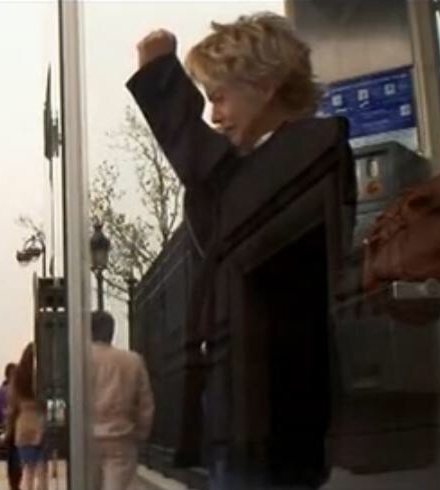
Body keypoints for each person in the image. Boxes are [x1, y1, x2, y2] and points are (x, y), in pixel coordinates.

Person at [129, 13, 354, 487]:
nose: (214, 116)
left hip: (274, 412)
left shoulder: (313, 148)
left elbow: (218, 179)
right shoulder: (276, 162)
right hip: (252, 409)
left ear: (265, 86)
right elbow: (216, 175)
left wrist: (163, 84)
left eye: (219, 97)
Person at [90, 311, 154, 490]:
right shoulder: (133, 360)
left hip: (87, 437)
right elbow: (145, 404)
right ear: (111, 331)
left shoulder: (80, 360)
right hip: (121, 437)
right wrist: (141, 433)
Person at [8, 343, 47, 490]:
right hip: (40, 423)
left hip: (23, 424)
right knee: (42, 472)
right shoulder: (42, 376)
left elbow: (12, 406)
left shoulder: (18, 376)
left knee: (27, 471)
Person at [0, 363, 22, 490]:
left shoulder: (0, 392)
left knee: (11, 456)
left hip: (7, 428)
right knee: (18, 456)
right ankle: (17, 481)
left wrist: (1, 421)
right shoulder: (19, 391)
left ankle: (13, 482)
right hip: (18, 427)